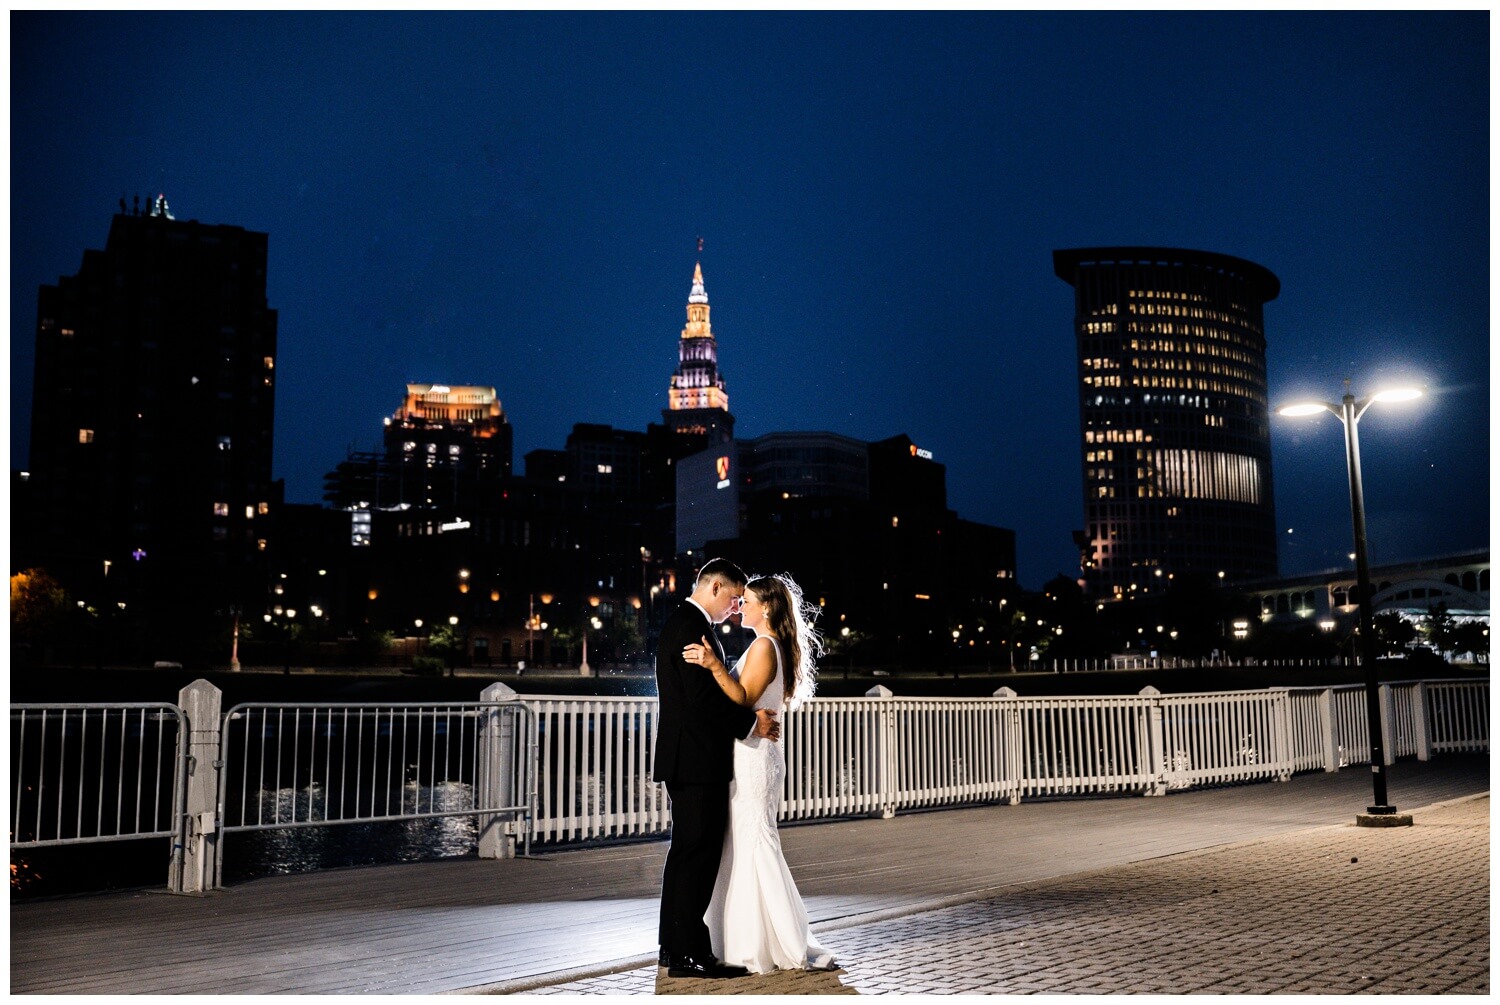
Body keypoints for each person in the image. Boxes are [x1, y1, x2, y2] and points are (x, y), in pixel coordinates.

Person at [684, 572, 836, 974]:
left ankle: (770, 941)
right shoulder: (763, 646)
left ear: (766, 607)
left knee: (754, 841)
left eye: (747, 601)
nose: (740, 606)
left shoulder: (765, 646)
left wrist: (715, 666)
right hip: (751, 752)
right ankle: (742, 938)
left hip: (753, 759)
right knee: (744, 842)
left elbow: (744, 697)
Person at [654, 558, 781, 980]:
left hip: (685, 756)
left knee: (684, 851)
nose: (734, 606)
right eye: (732, 597)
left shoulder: (685, 622)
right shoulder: (692, 626)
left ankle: (673, 945)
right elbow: (701, 700)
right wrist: (750, 724)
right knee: (699, 854)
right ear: (715, 587)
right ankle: (690, 954)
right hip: (695, 757)